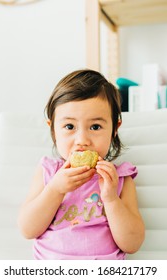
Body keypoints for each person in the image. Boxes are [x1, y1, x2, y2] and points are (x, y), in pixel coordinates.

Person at [18, 69, 145, 260]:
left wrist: (110, 199)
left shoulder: (120, 178)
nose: (82, 140)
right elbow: (27, 230)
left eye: (95, 127)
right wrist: (55, 190)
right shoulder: (49, 172)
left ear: (114, 129)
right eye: (69, 127)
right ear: (53, 129)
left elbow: (132, 244)